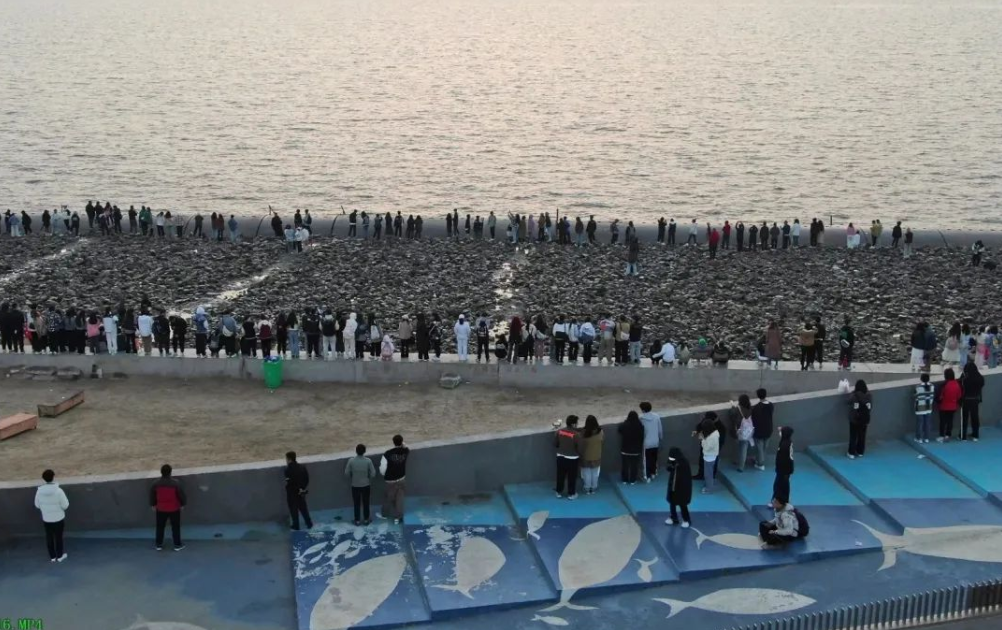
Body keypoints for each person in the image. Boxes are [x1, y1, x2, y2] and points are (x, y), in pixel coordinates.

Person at [35, 469, 70, 562]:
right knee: (58, 537)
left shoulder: (39, 491)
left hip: (47, 519)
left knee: (49, 537)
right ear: (53, 477)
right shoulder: (59, 491)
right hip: (59, 518)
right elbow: (65, 505)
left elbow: (37, 505)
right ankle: (60, 556)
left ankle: (52, 557)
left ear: (43, 479)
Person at [150, 464, 186, 551]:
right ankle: (177, 545)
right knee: (175, 527)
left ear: (161, 472)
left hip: (161, 508)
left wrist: (153, 504)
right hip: (174, 508)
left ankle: (159, 545)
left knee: (160, 527)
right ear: (170, 472)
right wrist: (182, 504)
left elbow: (152, 495)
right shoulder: (176, 483)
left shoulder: (155, 483)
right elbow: (181, 495)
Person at [379, 435, 409, 524]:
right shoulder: (405, 451)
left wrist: (385, 475)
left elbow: (382, 468)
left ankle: (384, 515)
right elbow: (406, 447)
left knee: (388, 498)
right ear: (401, 442)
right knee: (400, 499)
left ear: (393, 442)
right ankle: (398, 517)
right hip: (401, 479)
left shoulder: (387, 454)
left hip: (390, 480)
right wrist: (402, 444)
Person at [345, 444, 376, 526]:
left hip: (355, 485)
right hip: (366, 485)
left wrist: (353, 476)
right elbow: (373, 474)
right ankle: (366, 520)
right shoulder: (368, 461)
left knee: (356, 503)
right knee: (366, 502)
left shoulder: (351, 461)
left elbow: (346, 473)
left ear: (356, 451)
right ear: (364, 451)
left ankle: (357, 520)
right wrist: (368, 477)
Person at [554, 415, 582, 500]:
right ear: (573, 424)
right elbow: (579, 448)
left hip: (560, 457)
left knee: (560, 475)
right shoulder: (577, 435)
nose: (577, 424)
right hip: (572, 459)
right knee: (571, 477)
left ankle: (558, 492)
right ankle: (571, 494)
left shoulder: (559, 431)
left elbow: (556, 444)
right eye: (576, 423)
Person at [664, 448, 693, 528]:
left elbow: (685, 478)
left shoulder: (684, 463)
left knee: (682, 504)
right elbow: (669, 467)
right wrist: (671, 465)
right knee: (672, 503)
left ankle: (686, 520)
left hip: (682, 488)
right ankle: (674, 518)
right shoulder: (673, 460)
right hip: (673, 488)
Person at [284, 451, 313, 530]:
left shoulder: (287, 470)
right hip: (301, 491)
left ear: (289, 459)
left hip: (292, 493)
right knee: (303, 508)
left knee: (293, 510)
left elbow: (289, 482)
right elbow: (306, 479)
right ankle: (309, 523)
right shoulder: (302, 467)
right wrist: (302, 488)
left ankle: (296, 525)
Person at [847, 380, 872, 458]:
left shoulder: (854, 395)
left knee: (853, 436)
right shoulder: (869, 395)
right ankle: (860, 451)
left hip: (854, 419)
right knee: (862, 436)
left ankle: (851, 453)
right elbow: (870, 406)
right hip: (864, 419)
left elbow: (848, 401)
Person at [638, 402, 662, 482]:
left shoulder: (642, 419)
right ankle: (653, 473)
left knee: (646, 460)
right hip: (656, 442)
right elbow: (660, 430)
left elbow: (642, 432)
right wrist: (660, 438)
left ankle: (647, 477)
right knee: (654, 458)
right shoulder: (657, 416)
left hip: (647, 443)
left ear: (643, 410)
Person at [580, 416, 604, 495]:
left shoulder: (583, 433)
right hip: (596, 456)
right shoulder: (601, 432)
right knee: (595, 473)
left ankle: (587, 488)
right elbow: (602, 441)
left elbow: (580, 444)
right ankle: (593, 488)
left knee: (586, 473)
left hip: (585, 457)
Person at [960, 362, 984, 441]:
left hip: (966, 399)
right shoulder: (980, 378)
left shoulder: (965, 378)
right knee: (975, 418)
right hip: (975, 399)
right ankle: (975, 435)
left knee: (964, 418)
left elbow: (961, 385)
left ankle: (963, 436)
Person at [618, 411, 644, 485]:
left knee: (625, 465)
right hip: (636, 450)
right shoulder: (639, 425)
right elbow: (642, 436)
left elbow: (619, 430)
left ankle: (625, 480)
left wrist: (625, 421)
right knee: (634, 466)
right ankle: (633, 480)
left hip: (625, 449)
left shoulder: (625, 425)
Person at [936, 368, 962, 442]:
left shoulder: (944, 385)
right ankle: (948, 435)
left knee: (942, 422)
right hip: (953, 406)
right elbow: (959, 396)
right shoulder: (957, 384)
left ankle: (941, 435)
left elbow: (940, 396)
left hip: (944, 406)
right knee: (950, 421)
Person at [730, 394, 755, 472]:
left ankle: (737, 462)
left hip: (739, 431)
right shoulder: (751, 409)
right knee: (744, 448)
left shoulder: (738, 409)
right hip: (748, 432)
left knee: (738, 447)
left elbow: (732, 415)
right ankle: (741, 466)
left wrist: (732, 406)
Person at [752, 388, 774, 471]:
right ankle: (760, 460)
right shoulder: (771, 405)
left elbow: (754, 419)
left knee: (759, 448)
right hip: (769, 429)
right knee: (764, 447)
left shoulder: (757, 407)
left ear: (758, 396)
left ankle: (760, 463)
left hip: (759, 430)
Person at [697, 415, 720, 494]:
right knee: (709, 473)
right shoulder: (715, 433)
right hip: (712, 456)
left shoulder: (711, 437)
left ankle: (709, 489)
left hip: (709, 457)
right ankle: (709, 484)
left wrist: (702, 439)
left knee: (708, 474)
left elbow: (706, 447)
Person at [774, 427, 794, 503]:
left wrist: (779, 468)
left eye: (781, 432)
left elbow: (782, 458)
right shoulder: (787, 441)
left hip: (784, 469)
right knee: (779, 484)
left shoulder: (784, 445)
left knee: (781, 485)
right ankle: (778, 500)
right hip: (785, 468)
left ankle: (782, 501)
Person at [914, 372, 935, 443]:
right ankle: (926, 438)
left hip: (920, 408)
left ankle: (919, 438)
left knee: (920, 424)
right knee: (927, 423)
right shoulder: (932, 386)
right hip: (929, 407)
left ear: (921, 379)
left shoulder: (918, 387)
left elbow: (915, 396)